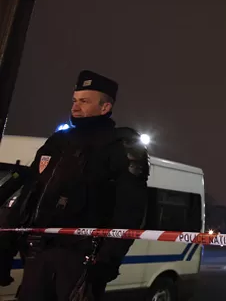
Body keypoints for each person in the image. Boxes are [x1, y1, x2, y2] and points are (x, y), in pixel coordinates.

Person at [0, 70, 150, 301]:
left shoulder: (121, 146)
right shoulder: (58, 142)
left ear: (105, 108)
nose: (75, 107)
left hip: (81, 259)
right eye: (74, 100)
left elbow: (130, 211)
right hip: (37, 255)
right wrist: (6, 249)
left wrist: (106, 260)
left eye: (84, 101)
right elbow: (29, 194)